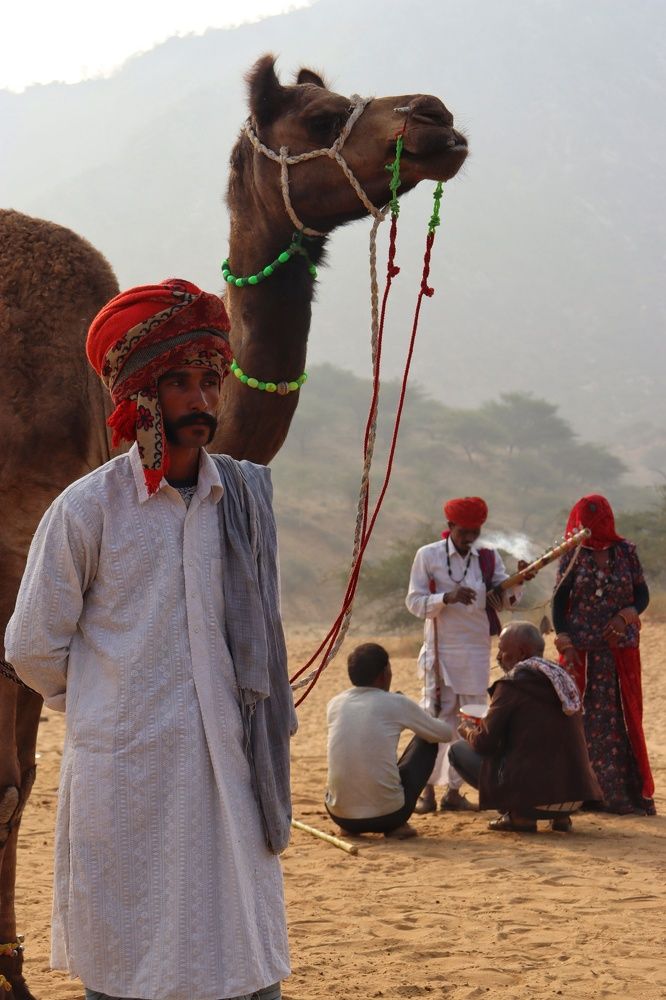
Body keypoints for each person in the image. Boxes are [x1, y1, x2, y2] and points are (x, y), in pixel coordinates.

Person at [5, 279, 295, 1000]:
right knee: (131, 970)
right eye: (178, 382)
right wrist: (116, 702)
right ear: (138, 393)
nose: (201, 400)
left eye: (208, 380)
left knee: (246, 965)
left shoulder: (245, 498)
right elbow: (32, 647)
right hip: (127, 782)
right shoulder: (87, 511)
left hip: (230, 772)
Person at [405, 496, 528, 813]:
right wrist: (447, 597)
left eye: (476, 531)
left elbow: (505, 598)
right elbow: (415, 602)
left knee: (471, 718)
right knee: (436, 719)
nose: (470, 537)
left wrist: (519, 582)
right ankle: (426, 792)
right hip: (440, 650)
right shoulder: (428, 555)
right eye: (464, 532)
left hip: (475, 651)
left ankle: (454, 793)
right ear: (449, 527)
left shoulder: (487, 557)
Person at [552, 494, 656, 816]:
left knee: (620, 717)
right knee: (584, 719)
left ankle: (621, 794)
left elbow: (641, 595)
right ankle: (586, 792)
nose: (593, 528)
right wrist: (564, 637)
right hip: (583, 651)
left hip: (619, 650)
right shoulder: (572, 555)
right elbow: (558, 602)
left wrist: (627, 615)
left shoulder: (626, 552)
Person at [451, 622, 602, 832]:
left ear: (521, 652)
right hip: (574, 797)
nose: (499, 657)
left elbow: (484, 743)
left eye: (503, 651)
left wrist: (466, 729)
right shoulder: (562, 678)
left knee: (458, 751)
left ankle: (519, 816)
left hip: (533, 800)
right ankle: (561, 819)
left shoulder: (511, 685)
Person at [325, 643, 453, 839]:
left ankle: (353, 826)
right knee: (427, 740)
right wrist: (418, 715)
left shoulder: (335, 704)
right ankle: (397, 825)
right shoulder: (395, 702)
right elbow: (444, 734)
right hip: (389, 816)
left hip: (340, 816)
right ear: (385, 673)